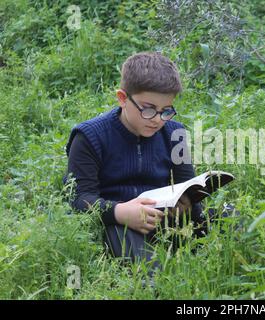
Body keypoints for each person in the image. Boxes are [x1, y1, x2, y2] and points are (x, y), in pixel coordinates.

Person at [64, 52, 235, 271]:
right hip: (120, 224)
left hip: (166, 221)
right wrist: (120, 212)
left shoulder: (176, 134)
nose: (157, 119)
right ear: (123, 98)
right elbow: (79, 198)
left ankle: (216, 264)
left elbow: (187, 185)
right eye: (148, 109)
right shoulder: (89, 136)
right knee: (119, 231)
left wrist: (187, 204)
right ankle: (151, 283)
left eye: (166, 112)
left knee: (229, 214)